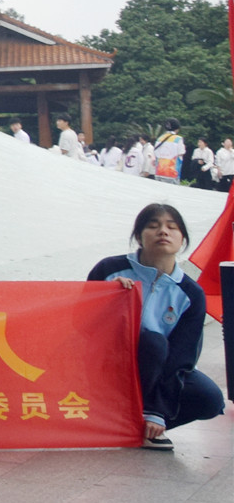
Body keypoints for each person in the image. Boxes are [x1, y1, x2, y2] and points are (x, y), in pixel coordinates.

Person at [90, 204, 225, 450]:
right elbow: (82, 323)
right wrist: (106, 295)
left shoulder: (191, 293)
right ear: (139, 236)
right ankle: (110, 418)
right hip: (109, 363)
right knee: (152, 343)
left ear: (182, 239)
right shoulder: (109, 270)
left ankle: (138, 427)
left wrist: (157, 411)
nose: (163, 231)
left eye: (172, 227)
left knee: (210, 399)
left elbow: (181, 357)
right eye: (153, 226)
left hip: (159, 368)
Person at [151, 119, 186, 185]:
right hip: (172, 173)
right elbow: (181, 152)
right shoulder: (178, 139)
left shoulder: (160, 138)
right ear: (177, 129)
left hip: (159, 171)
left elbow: (155, 153)